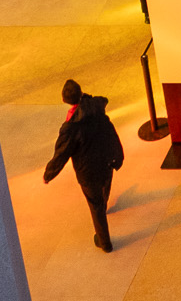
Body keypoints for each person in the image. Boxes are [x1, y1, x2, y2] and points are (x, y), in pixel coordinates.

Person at [42, 81, 126, 252]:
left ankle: (105, 243)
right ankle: (105, 202)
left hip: (87, 172)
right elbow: (108, 120)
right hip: (106, 161)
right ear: (81, 94)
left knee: (95, 206)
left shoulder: (71, 128)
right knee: (105, 184)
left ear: (65, 100)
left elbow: (61, 154)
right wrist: (117, 157)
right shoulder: (97, 110)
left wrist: (49, 174)